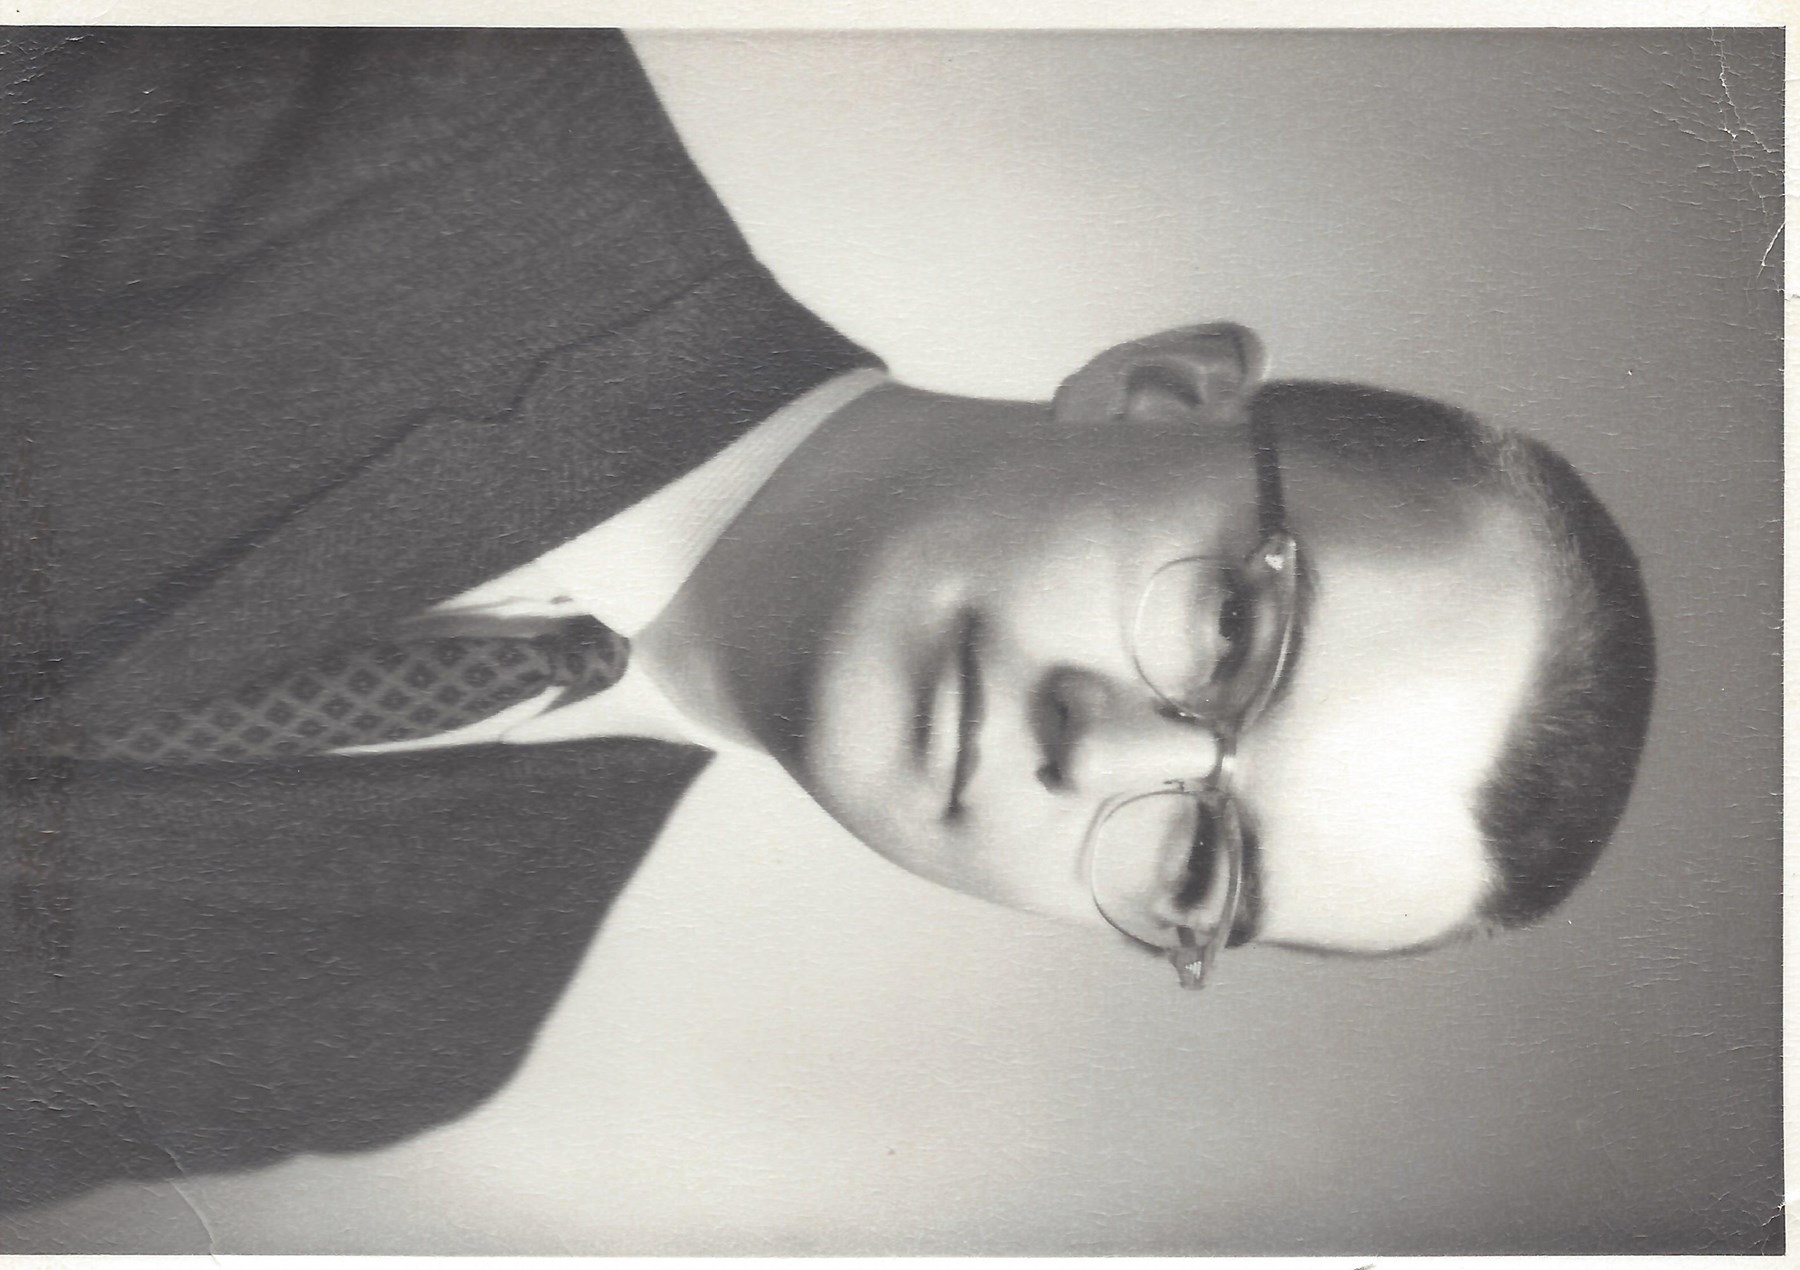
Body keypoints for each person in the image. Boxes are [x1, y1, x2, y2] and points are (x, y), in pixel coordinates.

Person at [0, 28, 1655, 1213]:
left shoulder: (419, 1020)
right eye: (1234, 632)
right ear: (1159, 390)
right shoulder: (445, 98)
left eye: (1202, 860)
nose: (1099, 754)